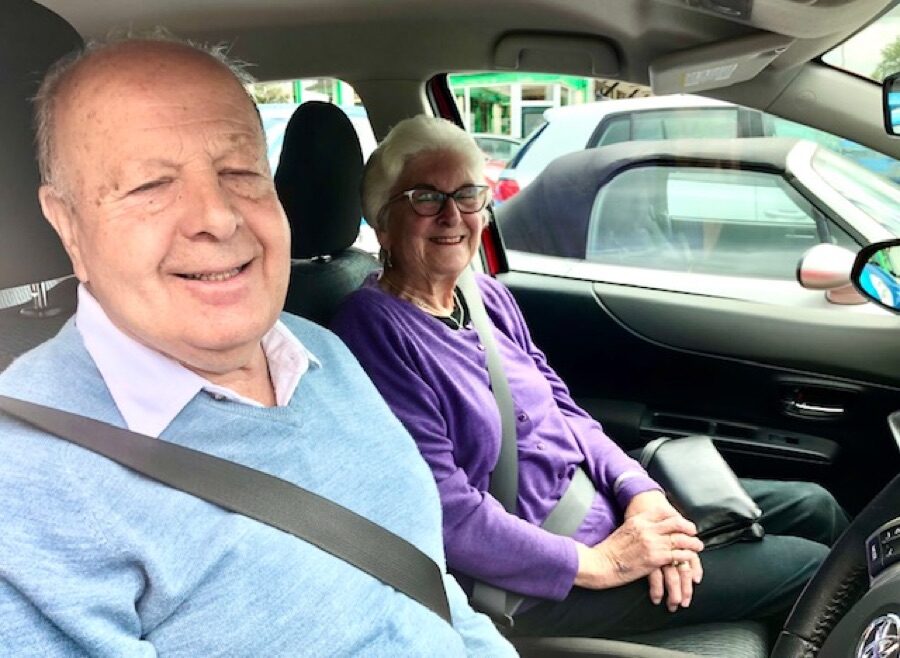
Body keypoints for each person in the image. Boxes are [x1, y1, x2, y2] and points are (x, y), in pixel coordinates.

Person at [0, 37, 516, 657]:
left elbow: (433, 593)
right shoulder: (24, 487)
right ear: (66, 224)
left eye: (241, 172)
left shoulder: (323, 354)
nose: (218, 217)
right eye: (150, 185)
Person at [330, 115, 850, 639]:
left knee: (817, 507)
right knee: (812, 569)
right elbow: (443, 509)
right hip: (533, 578)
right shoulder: (372, 329)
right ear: (383, 221)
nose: (452, 215)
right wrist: (607, 562)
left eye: (467, 195)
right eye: (425, 197)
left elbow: (565, 411)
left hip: (601, 507)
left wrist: (641, 495)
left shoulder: (485, 297)